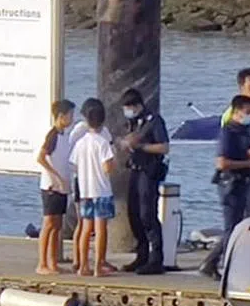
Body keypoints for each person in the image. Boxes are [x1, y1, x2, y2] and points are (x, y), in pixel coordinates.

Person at [198, 96, 250, 279]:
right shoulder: (228, 132)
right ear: (237, 112)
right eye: (247, 112)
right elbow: (222, 163)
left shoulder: (248, 130)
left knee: (243, 225)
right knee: (232, 227)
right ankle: (224, 266)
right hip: (230, 184)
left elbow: (245, 152)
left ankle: (219, 263)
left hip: (246, 183)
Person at [119, 88, 170, 275]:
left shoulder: (154, 121)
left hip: (149, 171)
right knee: (133, 213)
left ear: (138, 105)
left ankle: (156, 258)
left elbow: (164, 147)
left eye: (130, 107)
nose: (128, 111)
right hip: (135, 169)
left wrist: (140, 146)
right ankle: (141, 254)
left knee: (147, 214)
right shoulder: (133, 122)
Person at [67, 99, 116, 277]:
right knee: (101, 228)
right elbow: (107, 167)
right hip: (101, 189)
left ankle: (83, 266)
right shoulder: (102, 142)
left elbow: (73, 165)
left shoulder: (81, 143)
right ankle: (98, 266)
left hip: (85, 190)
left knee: (86, 228)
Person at [36, 99, 75, 275]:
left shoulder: (64, 135)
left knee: (58, 224)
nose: (72, 118)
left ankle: (52, 262)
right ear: (61, 116)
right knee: (49, 223)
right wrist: (56, 177)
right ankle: (42, 263)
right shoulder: (52, 135)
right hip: (51, 186)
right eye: (69, 115)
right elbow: (41, 158)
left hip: (62, 187)